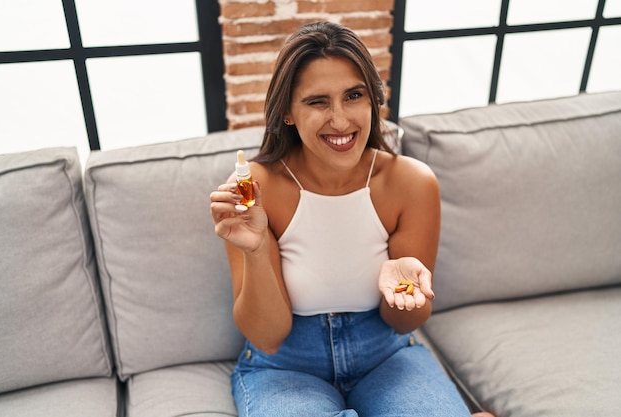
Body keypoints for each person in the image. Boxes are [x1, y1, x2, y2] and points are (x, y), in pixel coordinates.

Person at [210, 21, 494, 417]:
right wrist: (256, 250)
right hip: (285, 365)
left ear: (372, 101)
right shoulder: (255, 187)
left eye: (354, 96)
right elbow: (268, 336)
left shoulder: (410, 183)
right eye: (317, 102)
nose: (341, 120)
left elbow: (403, 323)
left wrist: (408, 289)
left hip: (386, 355)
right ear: (288, 113)